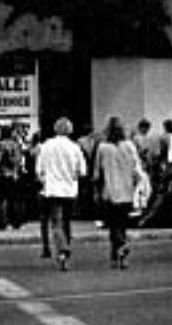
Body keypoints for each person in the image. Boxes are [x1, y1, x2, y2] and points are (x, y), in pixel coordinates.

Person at [35, 117, 86, 271]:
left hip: (52, 189)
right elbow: (82, 171)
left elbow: (39, 170)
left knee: (56, 222)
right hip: (70, 189)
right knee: (67, 222)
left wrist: (45, 180)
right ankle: (65, 251)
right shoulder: (75, 147)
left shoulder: (46, 146)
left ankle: (62, 249)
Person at [95, 116, 140, 269]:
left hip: (110, 191)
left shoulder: (103, 148)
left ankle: (119, 247)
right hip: (126, 190)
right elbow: (136, 169)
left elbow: (97, 172)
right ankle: (117, 254)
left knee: (112, 224)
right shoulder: (129, 146)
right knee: (122, 223)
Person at [0, 125, 24, 231]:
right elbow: (18, 160)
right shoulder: (16, 145)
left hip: (0, 176)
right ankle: (15, 222)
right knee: (14, 200)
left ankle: (1, 223)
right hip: (13, 175)